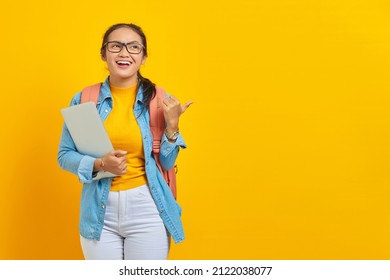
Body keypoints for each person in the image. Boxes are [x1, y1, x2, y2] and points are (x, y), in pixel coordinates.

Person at [57, 23, 192, 260]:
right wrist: (100, 164)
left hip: (147, 207)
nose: (124, 53)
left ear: (143, 57)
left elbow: (167, 163)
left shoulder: (159, 100)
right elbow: (64, 155)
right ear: (104, 54)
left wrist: (173, 126)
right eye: (116, 46)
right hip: (99, 210)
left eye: (133, 47)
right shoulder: (84, 99)